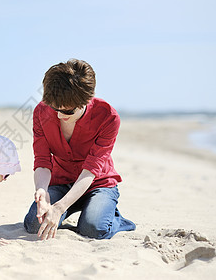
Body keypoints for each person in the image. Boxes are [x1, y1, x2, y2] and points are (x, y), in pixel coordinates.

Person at [24, 59, 136, 240]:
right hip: (61, 182)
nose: (59, 115)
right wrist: (42, 192)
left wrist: (59, 208)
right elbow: (42, 160)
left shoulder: (108, 117)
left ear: (86, 101)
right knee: (33, 224)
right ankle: (84, 208)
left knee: (92, 229)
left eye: (67, 111)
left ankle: (114, 217)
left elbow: (90, 171)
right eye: (55, 108)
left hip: (97, 184)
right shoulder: (41, 112)